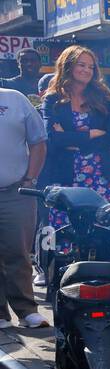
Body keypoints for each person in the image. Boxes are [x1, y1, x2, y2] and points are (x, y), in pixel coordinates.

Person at [40, 47, 110, 276]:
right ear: (67, 66)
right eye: (81, 64)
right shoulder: (52, 99)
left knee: (109, 226)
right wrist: (91, 134)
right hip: (65, 177)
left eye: (90, 66)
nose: (87, 70)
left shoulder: (104, 97)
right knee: (61, 230)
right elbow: (53, 138)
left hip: (101, 177)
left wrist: (73, 138)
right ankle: (56, 279)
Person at [0, 82, 48, 328]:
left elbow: (38, 141)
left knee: (18, 251)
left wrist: (30, 178)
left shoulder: (15, 99)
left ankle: (26, 310)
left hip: (14, 190)